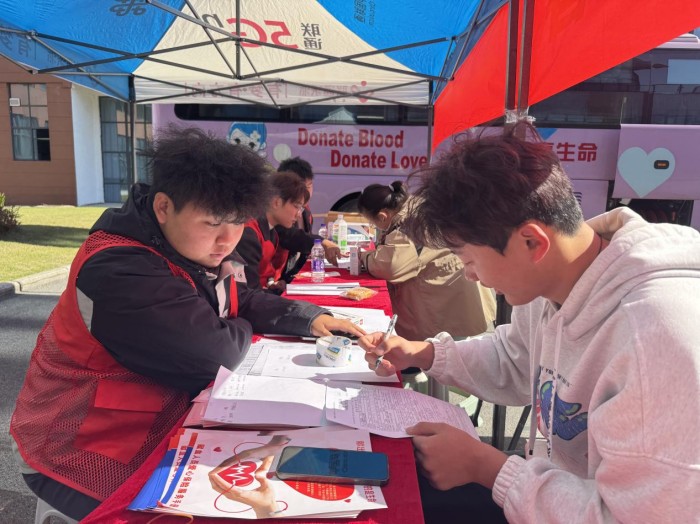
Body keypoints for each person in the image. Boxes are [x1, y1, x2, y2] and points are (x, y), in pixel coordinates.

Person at [9, 127, 364, 521]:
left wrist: (310, 318)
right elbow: (214, 355)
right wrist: (238, 327)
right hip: (81, 449)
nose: (227, 241)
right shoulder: (119, 267)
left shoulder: (184, 246)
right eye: (212, 224)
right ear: (164, 207)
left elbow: (239, 298)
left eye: (238, 223)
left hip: (157, 420)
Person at [359, 123, 700, 523]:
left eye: (469, 259)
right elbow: (516, 357)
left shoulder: (657, 338)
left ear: (532, 242)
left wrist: (488, 467)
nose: (470, 275)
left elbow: (632, 516)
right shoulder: (555, 281)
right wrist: (424, 353)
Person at [357, 180, 496, 342]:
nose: (373, 226)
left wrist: (364, 256)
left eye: (372, 222)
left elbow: (391, 267)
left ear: (383, 216)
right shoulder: (414, 208)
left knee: (445, 349)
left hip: (444, 300)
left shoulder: (408, 226)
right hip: (453, 289)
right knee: (452, 346)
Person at [235, 171, 312, 294]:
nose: (299, 214)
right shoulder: (249, 233)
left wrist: (272, 284)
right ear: (276, 202)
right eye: (296, 206)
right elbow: (248, 292)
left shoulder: (271, 228)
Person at [274, 156, 342, 283]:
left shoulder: (306, 211)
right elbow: (291, 236)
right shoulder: (277, 215)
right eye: (301, 188)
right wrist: (322, 242)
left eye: (309, 186)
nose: (306, 193)